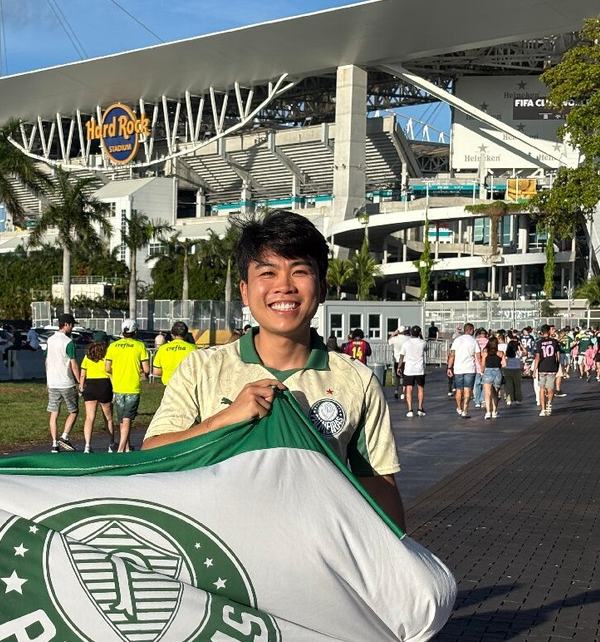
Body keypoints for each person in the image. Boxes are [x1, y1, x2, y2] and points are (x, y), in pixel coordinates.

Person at [141, 209, 407, 537]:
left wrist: (400, 564)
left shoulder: (356, 380)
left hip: (317, 558)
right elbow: (154, 455)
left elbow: (377, 482)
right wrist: (224, 420)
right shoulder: (201, 369)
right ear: (244, 289)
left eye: (299, 271)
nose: (283, 286)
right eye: (267, 272)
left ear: (322, 289)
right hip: (222, 557)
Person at [104, 318, 150, 452]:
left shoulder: (113, 346)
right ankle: (121, 448)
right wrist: (139, 371)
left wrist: (118, 371)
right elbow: (146, 369)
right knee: (128, 418)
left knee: (122, 420)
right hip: (132, 386)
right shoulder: (139, 346)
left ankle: (127, 447)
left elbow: (107, 368)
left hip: (118, 386)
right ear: (135, 332)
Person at [45, 312, 81, 452]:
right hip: (66, 382)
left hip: (53, 382)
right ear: (66, 325)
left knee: (54, 413)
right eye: (71, 325)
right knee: (73, 411)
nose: (72, 328)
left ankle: (54, 443)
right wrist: (80, 382)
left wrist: (48, 381)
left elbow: (47, 361)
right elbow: (73, 364)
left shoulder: (50, 340)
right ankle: (64, 436)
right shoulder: (68, 342)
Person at [78, 340, 115, 452]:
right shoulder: (106, 357)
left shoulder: (87, 357)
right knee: (108, 418)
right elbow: (110, 374)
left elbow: (83, 374)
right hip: (104, 385)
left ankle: (87, 445)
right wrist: (114, 389)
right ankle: (111, 444)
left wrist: (81, 387)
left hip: (90, 385)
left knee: (89, 418)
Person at [446, 323, 479, 418]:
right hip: (470, 368)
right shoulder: (473, 341)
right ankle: (465, 410)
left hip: (458, 369)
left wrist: (449, 367)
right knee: (468, 390)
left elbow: (452, 355)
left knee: (459, 389)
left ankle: (459, 408)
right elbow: (478, 356)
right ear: (471, 330)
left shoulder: (457, 340)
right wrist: (481, 367)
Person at [151, 321, 198, 386]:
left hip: (168, 385)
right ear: (186, 335)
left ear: (172, 335)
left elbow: (157, 372)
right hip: (187, 385)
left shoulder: (162, 349)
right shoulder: (193, 348)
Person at [532, 323, 561, 417]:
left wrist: (534, 369)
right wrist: (557, 364)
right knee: (550, 388)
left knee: (541, 388)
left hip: (542, 367)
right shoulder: (554, 341)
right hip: (552, 366)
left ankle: (543, 409)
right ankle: (549, 403)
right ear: (549, 331)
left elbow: (537, 357)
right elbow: (558, 354)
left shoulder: (539, 342)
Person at [398, 325, 427, 418]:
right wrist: (421, 336)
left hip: (409, 369)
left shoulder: (406, 343)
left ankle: (410, 409)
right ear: (419, 333)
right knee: (420, 388)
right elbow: (426, 348)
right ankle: (420, 408)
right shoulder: (423, 343)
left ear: (410, 333)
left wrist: (399, 367)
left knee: (409, 389)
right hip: (419, 369)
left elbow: (402, 356)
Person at [480, 336, 503, 419]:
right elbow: (504, 364)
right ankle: (494, 411)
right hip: (497, 372)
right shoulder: (500, 353)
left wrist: (482, 372)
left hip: (488, 372)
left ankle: (488, 412)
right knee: (495, 394)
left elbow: (482, 365)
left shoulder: (485, 353)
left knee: (487, 394)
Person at [388, 327, 410, 400]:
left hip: (397, 359)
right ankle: (403, 392)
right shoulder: (408, 338)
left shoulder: (395, 338)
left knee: (397, 376)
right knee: (404, 376)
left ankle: (396, 390)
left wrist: (394, 333)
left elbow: (388, 341)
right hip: (406, 360)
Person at [503, 338, 525, 406]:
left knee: (508, 386)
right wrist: (521, 346)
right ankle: (518, 399)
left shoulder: (506, 354)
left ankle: (509, 399)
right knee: (517, 385)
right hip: (517, 370)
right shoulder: (518, 353)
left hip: (507, 370)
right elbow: (525, 352)